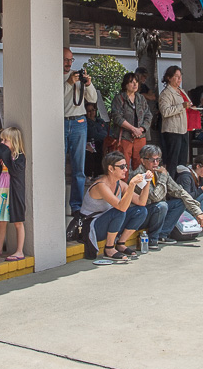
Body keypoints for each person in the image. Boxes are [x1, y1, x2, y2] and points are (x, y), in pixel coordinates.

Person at [80, 151, 151, 261]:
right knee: (119, 211)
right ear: (111, 169)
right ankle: (109, 248)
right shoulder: (101, 185)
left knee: (141, 211)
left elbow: (141, 202)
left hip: (110, 222)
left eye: (126, 166)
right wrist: (132, 184)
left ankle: (121, 243)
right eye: (122, 167)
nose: (126, 170)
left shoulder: (120, 184)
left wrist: (147, 182)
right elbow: (121, 207)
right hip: (92, 226)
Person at [132, 144, 203, 246]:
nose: (156, 163)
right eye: (152, 160)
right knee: (162, 205)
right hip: (141, 214)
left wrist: (198, 212)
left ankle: (162, 234)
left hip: (155, 211)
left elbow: (179, 191)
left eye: (158, 160)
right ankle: (153, 239)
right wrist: (163, 176)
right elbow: (155, 197)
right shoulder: (139, 175)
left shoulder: (159, 172)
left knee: (180, 201)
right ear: (143, 161)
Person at [63, 48, 97, 215]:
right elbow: (55, 98)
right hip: (61, 122)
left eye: (71, 59)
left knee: (79, 168)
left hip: (79, 122)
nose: (68, 63)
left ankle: (76, 206)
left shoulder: (79, 79)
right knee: (57, 166)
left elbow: (93, 99)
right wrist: (69, 83)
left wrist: (88, 84)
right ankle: (56, 203)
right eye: (65, 59)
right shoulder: (57, 77)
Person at [0, 126, 26, 262]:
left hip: (14, 191)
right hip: (3, 188)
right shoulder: (4, 157)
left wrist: (6, 156)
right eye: (1, 140)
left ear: (14, 142)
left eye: (5, 140)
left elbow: (15, 171)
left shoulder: (20, 157)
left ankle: (20, 251)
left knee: (17, 221)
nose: (2, 143)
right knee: (2, 219)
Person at [108, 72, 153, 168]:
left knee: (140, 165)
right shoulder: (119, 98)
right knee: (123, 165)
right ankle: (122, 183)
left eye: (136, 82)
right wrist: (133, 129)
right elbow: (117, 117)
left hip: (140, 136)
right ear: (125, 84)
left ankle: (137, 183)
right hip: (124, 137)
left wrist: (141, 129)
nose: (135, 84)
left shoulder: (141, 98)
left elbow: (148, 115)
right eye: (131, 82)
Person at [159, 66, 193, 176]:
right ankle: (170, 185)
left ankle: (180, 184)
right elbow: (165, 111)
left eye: (180, 76)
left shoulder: (180, 90)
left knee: (182, 161)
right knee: (172, 161)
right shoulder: (166, 93)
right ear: (169, 78)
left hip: (183, 128)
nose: (179, 79)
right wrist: (182, 106)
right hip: (173, 130)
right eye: (176, 77)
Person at [84, 102, 109, 178]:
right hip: (91, 144)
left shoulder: (100, 121)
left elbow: (108, 132)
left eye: (93, 110)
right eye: (89, 111)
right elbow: (93, 134)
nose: (91, 113)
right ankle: (92, 175)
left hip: (103, 143)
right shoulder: (85, 123)